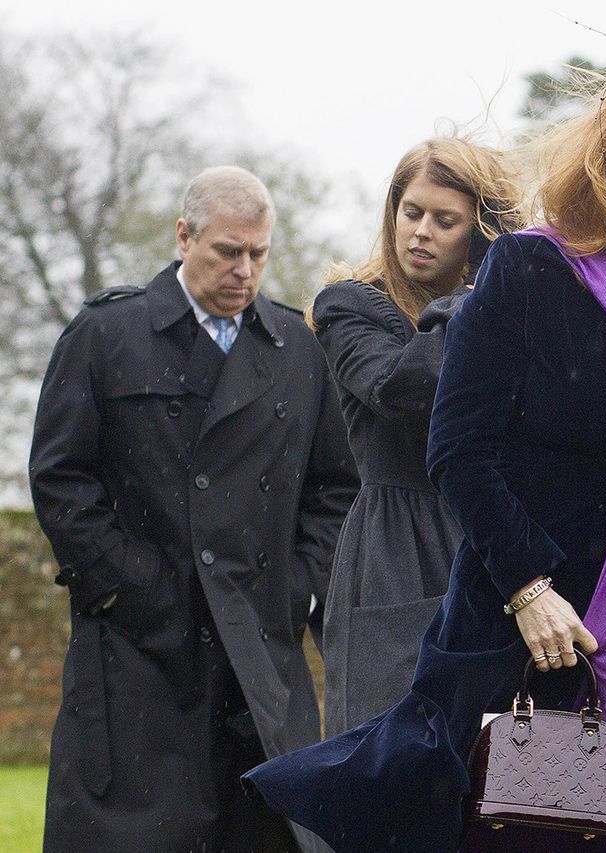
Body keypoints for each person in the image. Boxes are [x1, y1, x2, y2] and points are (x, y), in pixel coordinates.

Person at [245, 39, 606, 853]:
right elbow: (459, 447)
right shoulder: (531, 272)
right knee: (548, 832)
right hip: (552, 639)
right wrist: (528, 585)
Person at [30, 166, 359, 853]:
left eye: (258, 254)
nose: (245, 270)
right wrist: (127, 586)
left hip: (258, 653)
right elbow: (61, 477)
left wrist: (295, 586)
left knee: (263, 834)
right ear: (184, 237)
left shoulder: (298, 350)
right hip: (138, 650)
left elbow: (336, 488)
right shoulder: (106, 335)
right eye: (227, 251)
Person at [309, 137, 522, 734]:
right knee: (390, 754)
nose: (421, 232)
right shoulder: (350, 306)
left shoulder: (513, 310)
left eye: (444, 220)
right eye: (412, 212)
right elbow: (403, 388)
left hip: (492, 534)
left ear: (479, 233)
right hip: (394, 548)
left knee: (496, 759)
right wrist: (479, 300)